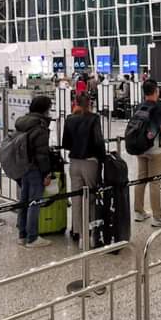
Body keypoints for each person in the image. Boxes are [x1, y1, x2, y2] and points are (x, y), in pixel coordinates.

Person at [62, 92, 105, 244]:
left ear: (76, 103)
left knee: (76, 198)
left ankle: (78, 232)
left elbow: (65, 143)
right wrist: (103, 158)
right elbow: (98, 141)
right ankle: (92, 232)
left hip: (74, 162)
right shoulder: (94, 118)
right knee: (91, 197)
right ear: (90, 104)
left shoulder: (69, 119)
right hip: (90, 162)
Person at [14, 96, 55, 248]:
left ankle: (22, 235)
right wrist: (47, 173)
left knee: (24, 200)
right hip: (35, 168)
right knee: (34, 202)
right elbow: (42, 154)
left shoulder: (23, 122)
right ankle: (32, 238)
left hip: (23, 166)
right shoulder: (40, 126)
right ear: (44, 109)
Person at [133, 81, 161, 227]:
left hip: (140, 148)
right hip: (156, 150)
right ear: (156, 91)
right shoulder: (159, 110)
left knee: (141, 179)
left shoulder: (139, 107)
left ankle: (139, 212)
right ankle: (157, 217)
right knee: (155, 182)